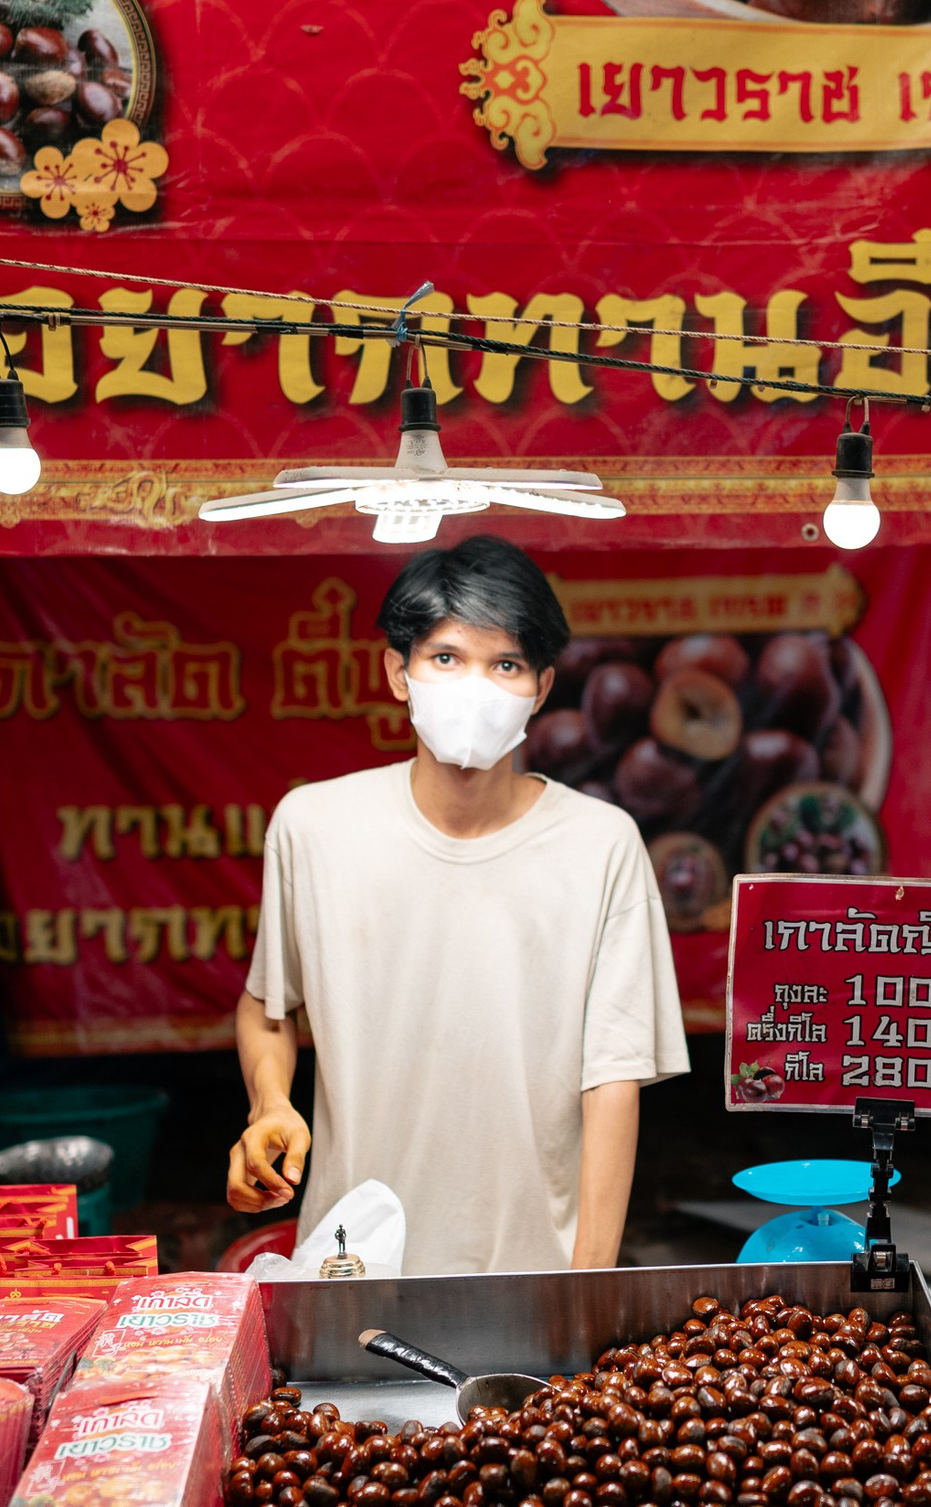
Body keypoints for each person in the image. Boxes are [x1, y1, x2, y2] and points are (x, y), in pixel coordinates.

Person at [229, 535, 690, 1274]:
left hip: (533, 1277)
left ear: (541, 688)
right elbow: (267, 1007)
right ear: (398, 671)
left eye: (504, 663)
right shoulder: (313, 826)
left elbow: (613, 1082)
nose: (473, 685)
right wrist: (270, 1103)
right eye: (446, 657)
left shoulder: (603, 845)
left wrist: (586, 1286)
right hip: (352, 1269)